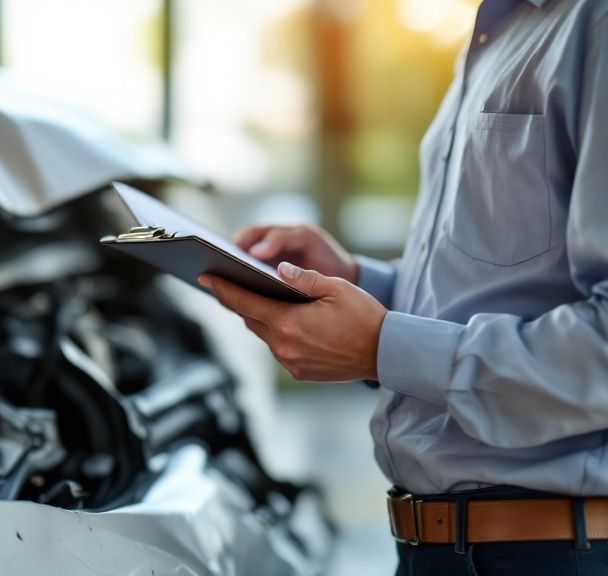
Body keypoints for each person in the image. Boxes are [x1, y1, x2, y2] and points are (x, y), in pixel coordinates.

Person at [197, 0, 608, 574]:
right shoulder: (498, 36)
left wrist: (381, 345)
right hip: (440, 551)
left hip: (554, 554)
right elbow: (503, 289)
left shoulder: (594, 25)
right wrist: (362, 286)